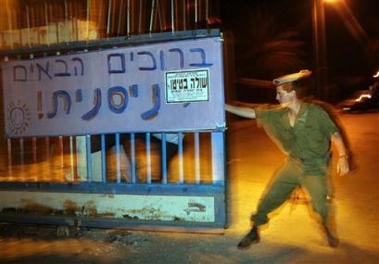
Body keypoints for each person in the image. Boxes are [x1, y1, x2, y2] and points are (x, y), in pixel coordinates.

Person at [225, 70, 350, 249]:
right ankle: (255, 230)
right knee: (269, 197)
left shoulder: (315, 113)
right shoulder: (278, 114)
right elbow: (251, 112)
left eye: (280, 93)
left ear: (292, 93)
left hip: (315, 167)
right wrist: (223, 106)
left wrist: (343, 156)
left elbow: (334, 133)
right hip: (293, 164)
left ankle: (326, 226)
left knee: (322, 205)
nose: (277, 97)